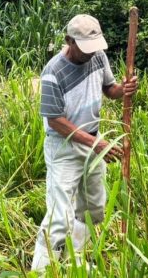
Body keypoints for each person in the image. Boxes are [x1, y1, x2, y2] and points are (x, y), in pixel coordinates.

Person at [31, 14, 138, 271]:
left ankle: (74, 260)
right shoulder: (53, 72)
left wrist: (124, 88)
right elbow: (55, 120)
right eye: (84, 48)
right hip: (64, 146)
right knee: (59, 216)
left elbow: (109, 88)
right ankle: (42, 271)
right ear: (69, 41)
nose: (91, 54)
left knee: (92, 209)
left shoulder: (97, 55)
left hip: (92, 138)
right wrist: (95, 144)